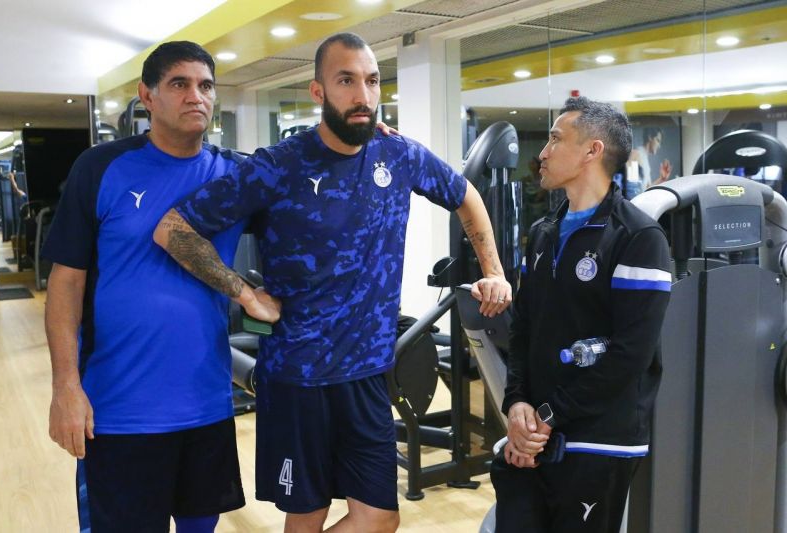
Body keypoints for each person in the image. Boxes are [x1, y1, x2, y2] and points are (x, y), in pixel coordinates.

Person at [153, 32, 513, 533]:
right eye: (346, 81)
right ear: (318, 91)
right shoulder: (278, 165)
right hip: (298, 379)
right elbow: (172, 230)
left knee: (380, 517)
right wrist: (244, 294)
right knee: (308, 516)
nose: (363, 95)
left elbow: (465, 195)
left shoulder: (398, 154)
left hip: (367, 375)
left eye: (372, 80)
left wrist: (494, 271)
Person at [42, 41, 273, 533]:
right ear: (147, 96)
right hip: (119, 408)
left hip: (206, 403)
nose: (196, 96)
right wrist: (65, 386)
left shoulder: (234, 175)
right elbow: (66, 282)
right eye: (180, 84)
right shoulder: (101, 167)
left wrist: (370, 138)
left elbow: (310, 181)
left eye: (206, 86)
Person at [491, 96, 671, 533]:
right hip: (534, 435)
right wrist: (517, 405)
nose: (543, 153)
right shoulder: (543, 233)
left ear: (592, 150)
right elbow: (523, 329)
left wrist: (546, 418)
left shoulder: (639, 238)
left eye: (555, 139)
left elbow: (629, 356)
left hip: (598, 441)